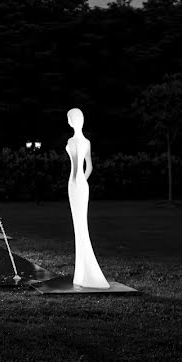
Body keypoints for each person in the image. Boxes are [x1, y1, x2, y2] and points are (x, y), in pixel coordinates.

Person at [66, 108, 110, 289]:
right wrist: (83, 180)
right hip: (82, 184)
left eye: (68, 118)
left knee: (80, 227)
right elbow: (89, 167)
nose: (68, 121)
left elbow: (76, 168)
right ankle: (82, 274)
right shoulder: (87, 141)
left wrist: (77, 182)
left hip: (75, 185)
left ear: (72, 120)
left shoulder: (72, 141)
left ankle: (87, 274)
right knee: (80, 227)